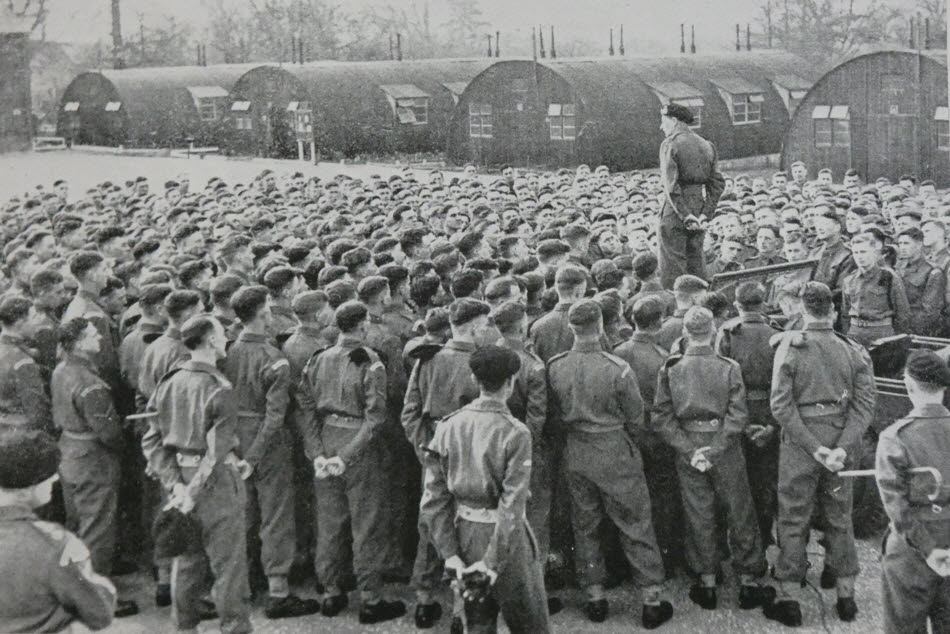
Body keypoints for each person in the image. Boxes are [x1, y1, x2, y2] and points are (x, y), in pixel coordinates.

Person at [547, 299, 673, 628]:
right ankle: (650, 598)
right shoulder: (616, 368)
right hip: (614, 448)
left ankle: (595, 597)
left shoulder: (556, 365)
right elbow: (636, 418)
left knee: (585, 525)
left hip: (577, 451)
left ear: (572, 328)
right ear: (601, 326)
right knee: (635, 521)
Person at [419, 345, 552, 633]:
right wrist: (492, 564)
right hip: (506, 540)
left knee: (477, 624)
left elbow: (433, 500)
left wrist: (450, 554)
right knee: (531, 624)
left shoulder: (448, 426)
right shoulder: (515, 432)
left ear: (474, 380)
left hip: (464, 533)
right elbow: (513, 505)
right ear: (510, 382)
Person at [766, 282, 876, 627]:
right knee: (840, 517)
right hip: (842, 441)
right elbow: (865, 406)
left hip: (802, 443)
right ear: (834, 311)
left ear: (802, 310)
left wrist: (815, 448)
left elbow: (780, 407)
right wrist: (842, 447)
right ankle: (846, 598)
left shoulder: (791, 348)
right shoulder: (854, 350)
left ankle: (790, 599)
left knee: (793, 517)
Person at [653, 306, 773, 611]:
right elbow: (738, 414)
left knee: (699, 513)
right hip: (725, 445)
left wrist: (691, 451)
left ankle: (706, 581)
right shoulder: (728, 366)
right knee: (740, 510)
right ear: (715, 331)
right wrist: (717, 448)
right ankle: (748, 580)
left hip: (689, 446)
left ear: (684, 334)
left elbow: (662, 417)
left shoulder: (672, 367)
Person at [296, 300, 407, 625]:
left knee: (329, 523)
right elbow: (375, 418)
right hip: (357, 446)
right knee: (366, 523)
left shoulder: (319, 358)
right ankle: (370, 598)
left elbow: (304, 405)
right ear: (361, 326)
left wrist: (318, 453)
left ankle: (330, 591)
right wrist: (345, 456)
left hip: (326, 438)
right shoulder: (370, 362)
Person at [142, 315, 253, 634]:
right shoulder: (220, 387)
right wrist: (193, 489)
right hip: (214, 482)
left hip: (179, 475)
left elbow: (152, 438)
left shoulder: (170, 380)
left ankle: (184, 628)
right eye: (220, 335)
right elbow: (215, 451)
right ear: (211, 341)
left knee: (187, 560)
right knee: (229, 567)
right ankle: (235, 627)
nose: (225, 341)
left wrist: (175, 484)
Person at [223, 286, 319, 619]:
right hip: (266, 441)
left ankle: (246, 580)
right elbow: (276, 416)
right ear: (263, 313)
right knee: (276, 513)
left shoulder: (229, 349)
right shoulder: (273, 358)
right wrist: (254, 455)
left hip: (236, 434)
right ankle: (278, 589)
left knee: (244, 513)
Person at [52, 317, 138, 618]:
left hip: (69, 452)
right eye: (92, 336)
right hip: (94, 459)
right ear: (77, 343)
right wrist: (123, 445)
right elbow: (108, 433)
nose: (99, 340)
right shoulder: (91, 383)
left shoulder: (62, 370)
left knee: (77, 525)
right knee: (98, 529)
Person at [0, 427, 118, 633]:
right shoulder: (55, 545)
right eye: (48, 474)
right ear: (29, 488)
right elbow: (100, 613)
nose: (55, 479)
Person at [876, 350, 950, 633]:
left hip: (911, 552)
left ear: (908, 386)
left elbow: (897, 508)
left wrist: (930, 551)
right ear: (943, 386)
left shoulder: (895, 437)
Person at [716, 282, 782, 547]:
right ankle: (764, 536)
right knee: (766, 479)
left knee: (737, 480)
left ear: (737, 305)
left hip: (737, 411)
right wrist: (773, 425)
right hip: (769, 411)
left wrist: (736, 421)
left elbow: (721, 380)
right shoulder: (776, 333)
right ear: (764, 304)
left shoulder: (727, 333)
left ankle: (740, 540)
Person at [656, 103, 725, 288]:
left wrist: (685, 215)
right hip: (699, 208)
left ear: (674, 120)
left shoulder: (670, 144)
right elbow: (717, 183)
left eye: (664, 122)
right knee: (696, 262)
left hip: (676, 211)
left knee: (673, 267)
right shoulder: (707, 145)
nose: (662, 127)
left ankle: (677, 310)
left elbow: (671, 186)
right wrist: (705, 214)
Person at [0, 295, 52, 431]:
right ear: (19, 324)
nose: (39, 322)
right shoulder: (22, 362)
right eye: (34, 318)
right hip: (24, 433)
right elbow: (37, 411)